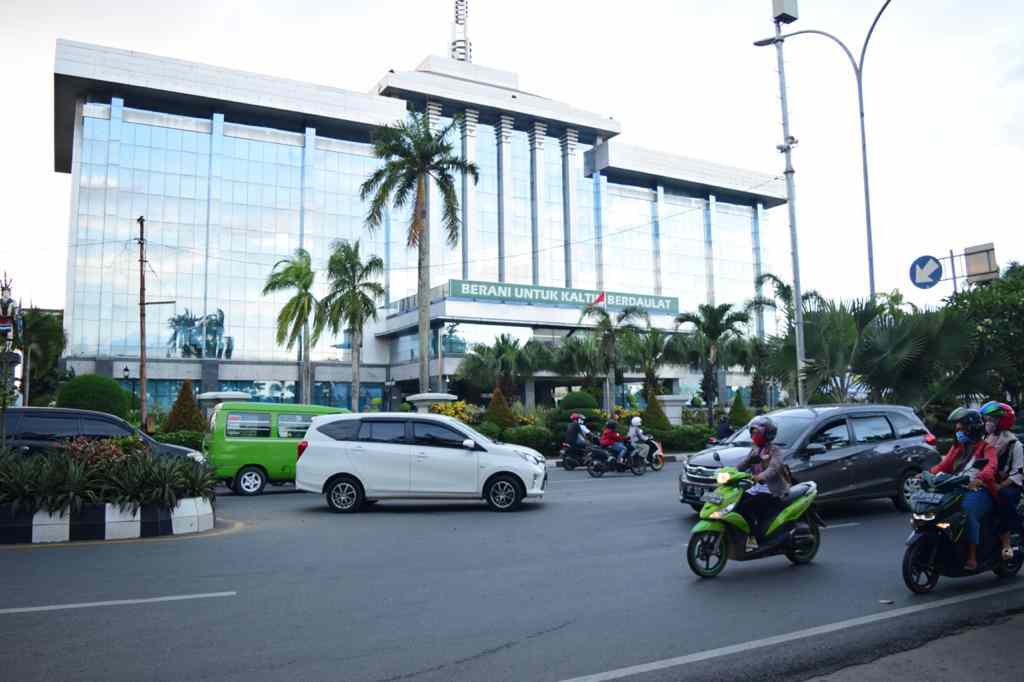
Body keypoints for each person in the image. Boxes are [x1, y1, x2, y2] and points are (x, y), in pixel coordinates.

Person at [926, 407, 998, 570]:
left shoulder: (987, 448)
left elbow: (991, 467)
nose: (958, 432)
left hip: (980, 491)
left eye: (961, 428)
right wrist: (926, 474)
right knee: (939, 507)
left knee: (966, 511)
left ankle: (972, 557)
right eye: (957, 429)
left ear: (972, 429)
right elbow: (943, 466)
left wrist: (979, 479)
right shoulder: (958, 447)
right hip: (957, 487)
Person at [736, 415, 790, 543]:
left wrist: (760, 476)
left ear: (767, 434)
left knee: (748, 507)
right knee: (737, 504)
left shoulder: (775, 450)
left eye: (757, 433)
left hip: (771, 490)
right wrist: (730, 472)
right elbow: (743, 465)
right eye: (753, 432)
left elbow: (774, 468)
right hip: (756, 488)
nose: (754, 435)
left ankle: (755, 539)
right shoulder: (755, 450)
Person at [980, 401, 1023, 561]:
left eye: (992, 419)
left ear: (1002, 421)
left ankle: (1007, 542)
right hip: (987, 481)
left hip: (1009, 485)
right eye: (987, 419)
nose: (988, 422)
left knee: (1003, 497)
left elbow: (1017, 474)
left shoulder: (1014, 444)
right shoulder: (985, 439)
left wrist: (999, 486)